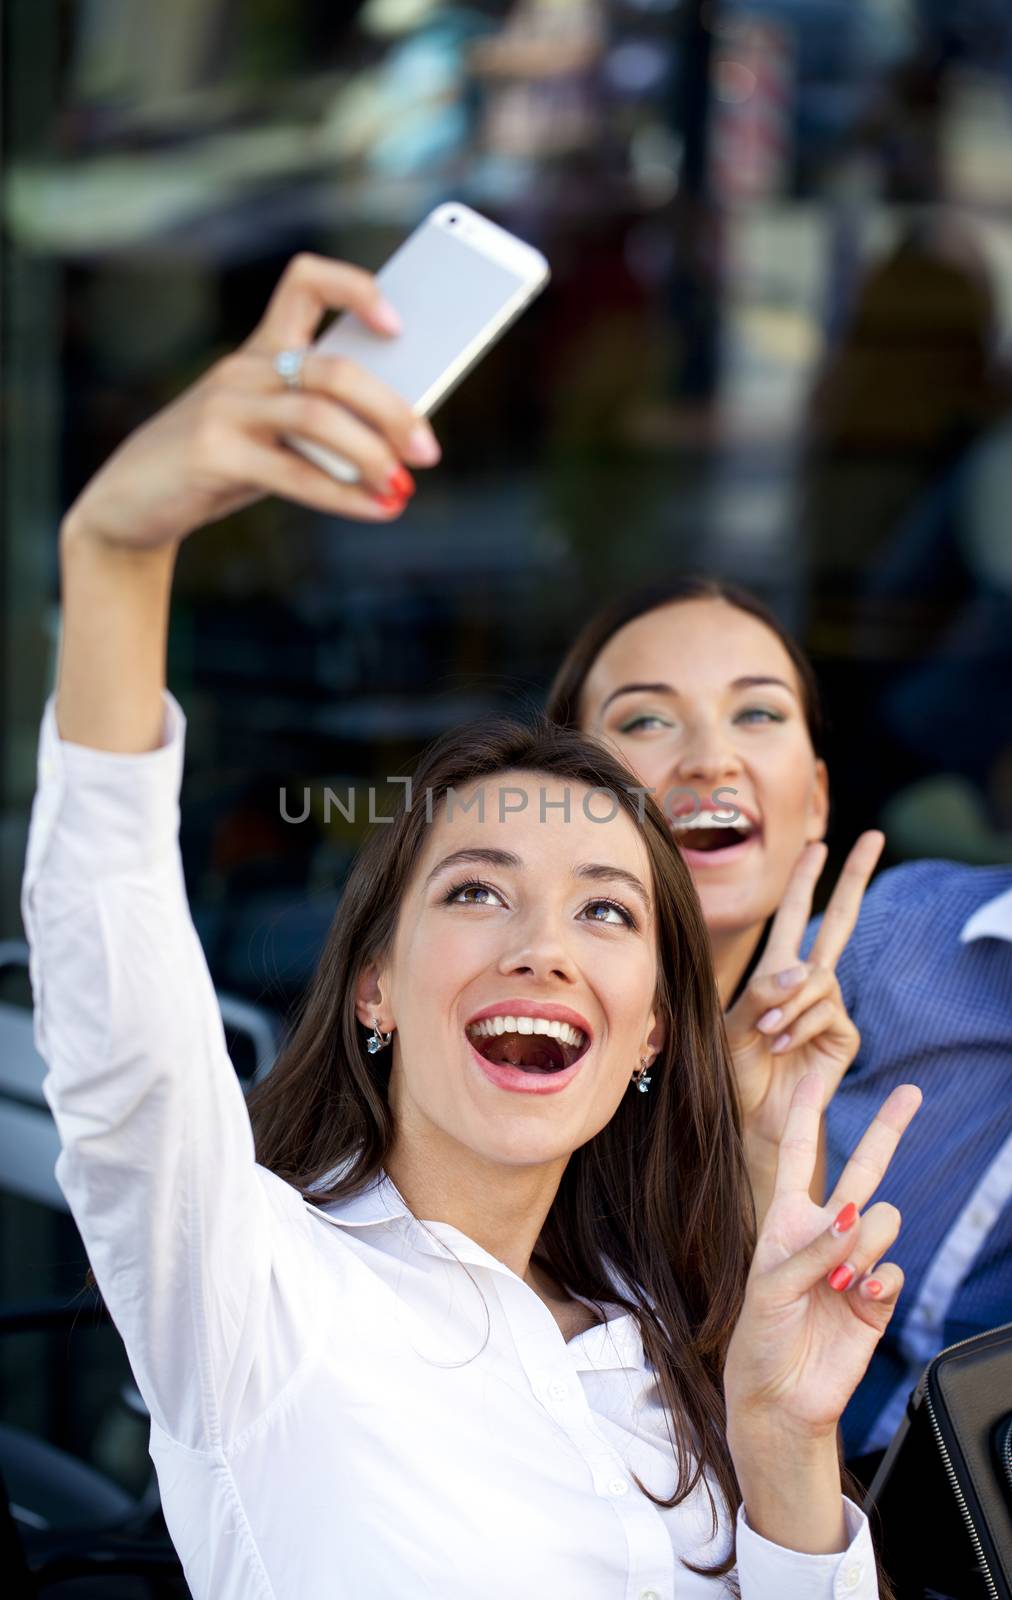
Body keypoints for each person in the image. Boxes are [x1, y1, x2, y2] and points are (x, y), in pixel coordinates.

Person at [21, 254, 920, 1598]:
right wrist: (118, 551)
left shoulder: (672, 1360)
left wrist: (789, 1453)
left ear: (652, 1034)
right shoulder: (258, 1288)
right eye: (476, 890)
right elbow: (117, 995)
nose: (540, 946)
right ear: (374, 986)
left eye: (607, 908)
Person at [546, 576, 1012, 1467]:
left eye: (757, 715)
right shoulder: (520, 1043)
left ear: (817, 800)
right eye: (647, 720)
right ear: (563, 787)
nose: (710, 760)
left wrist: (761, 1143)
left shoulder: (873, 968)